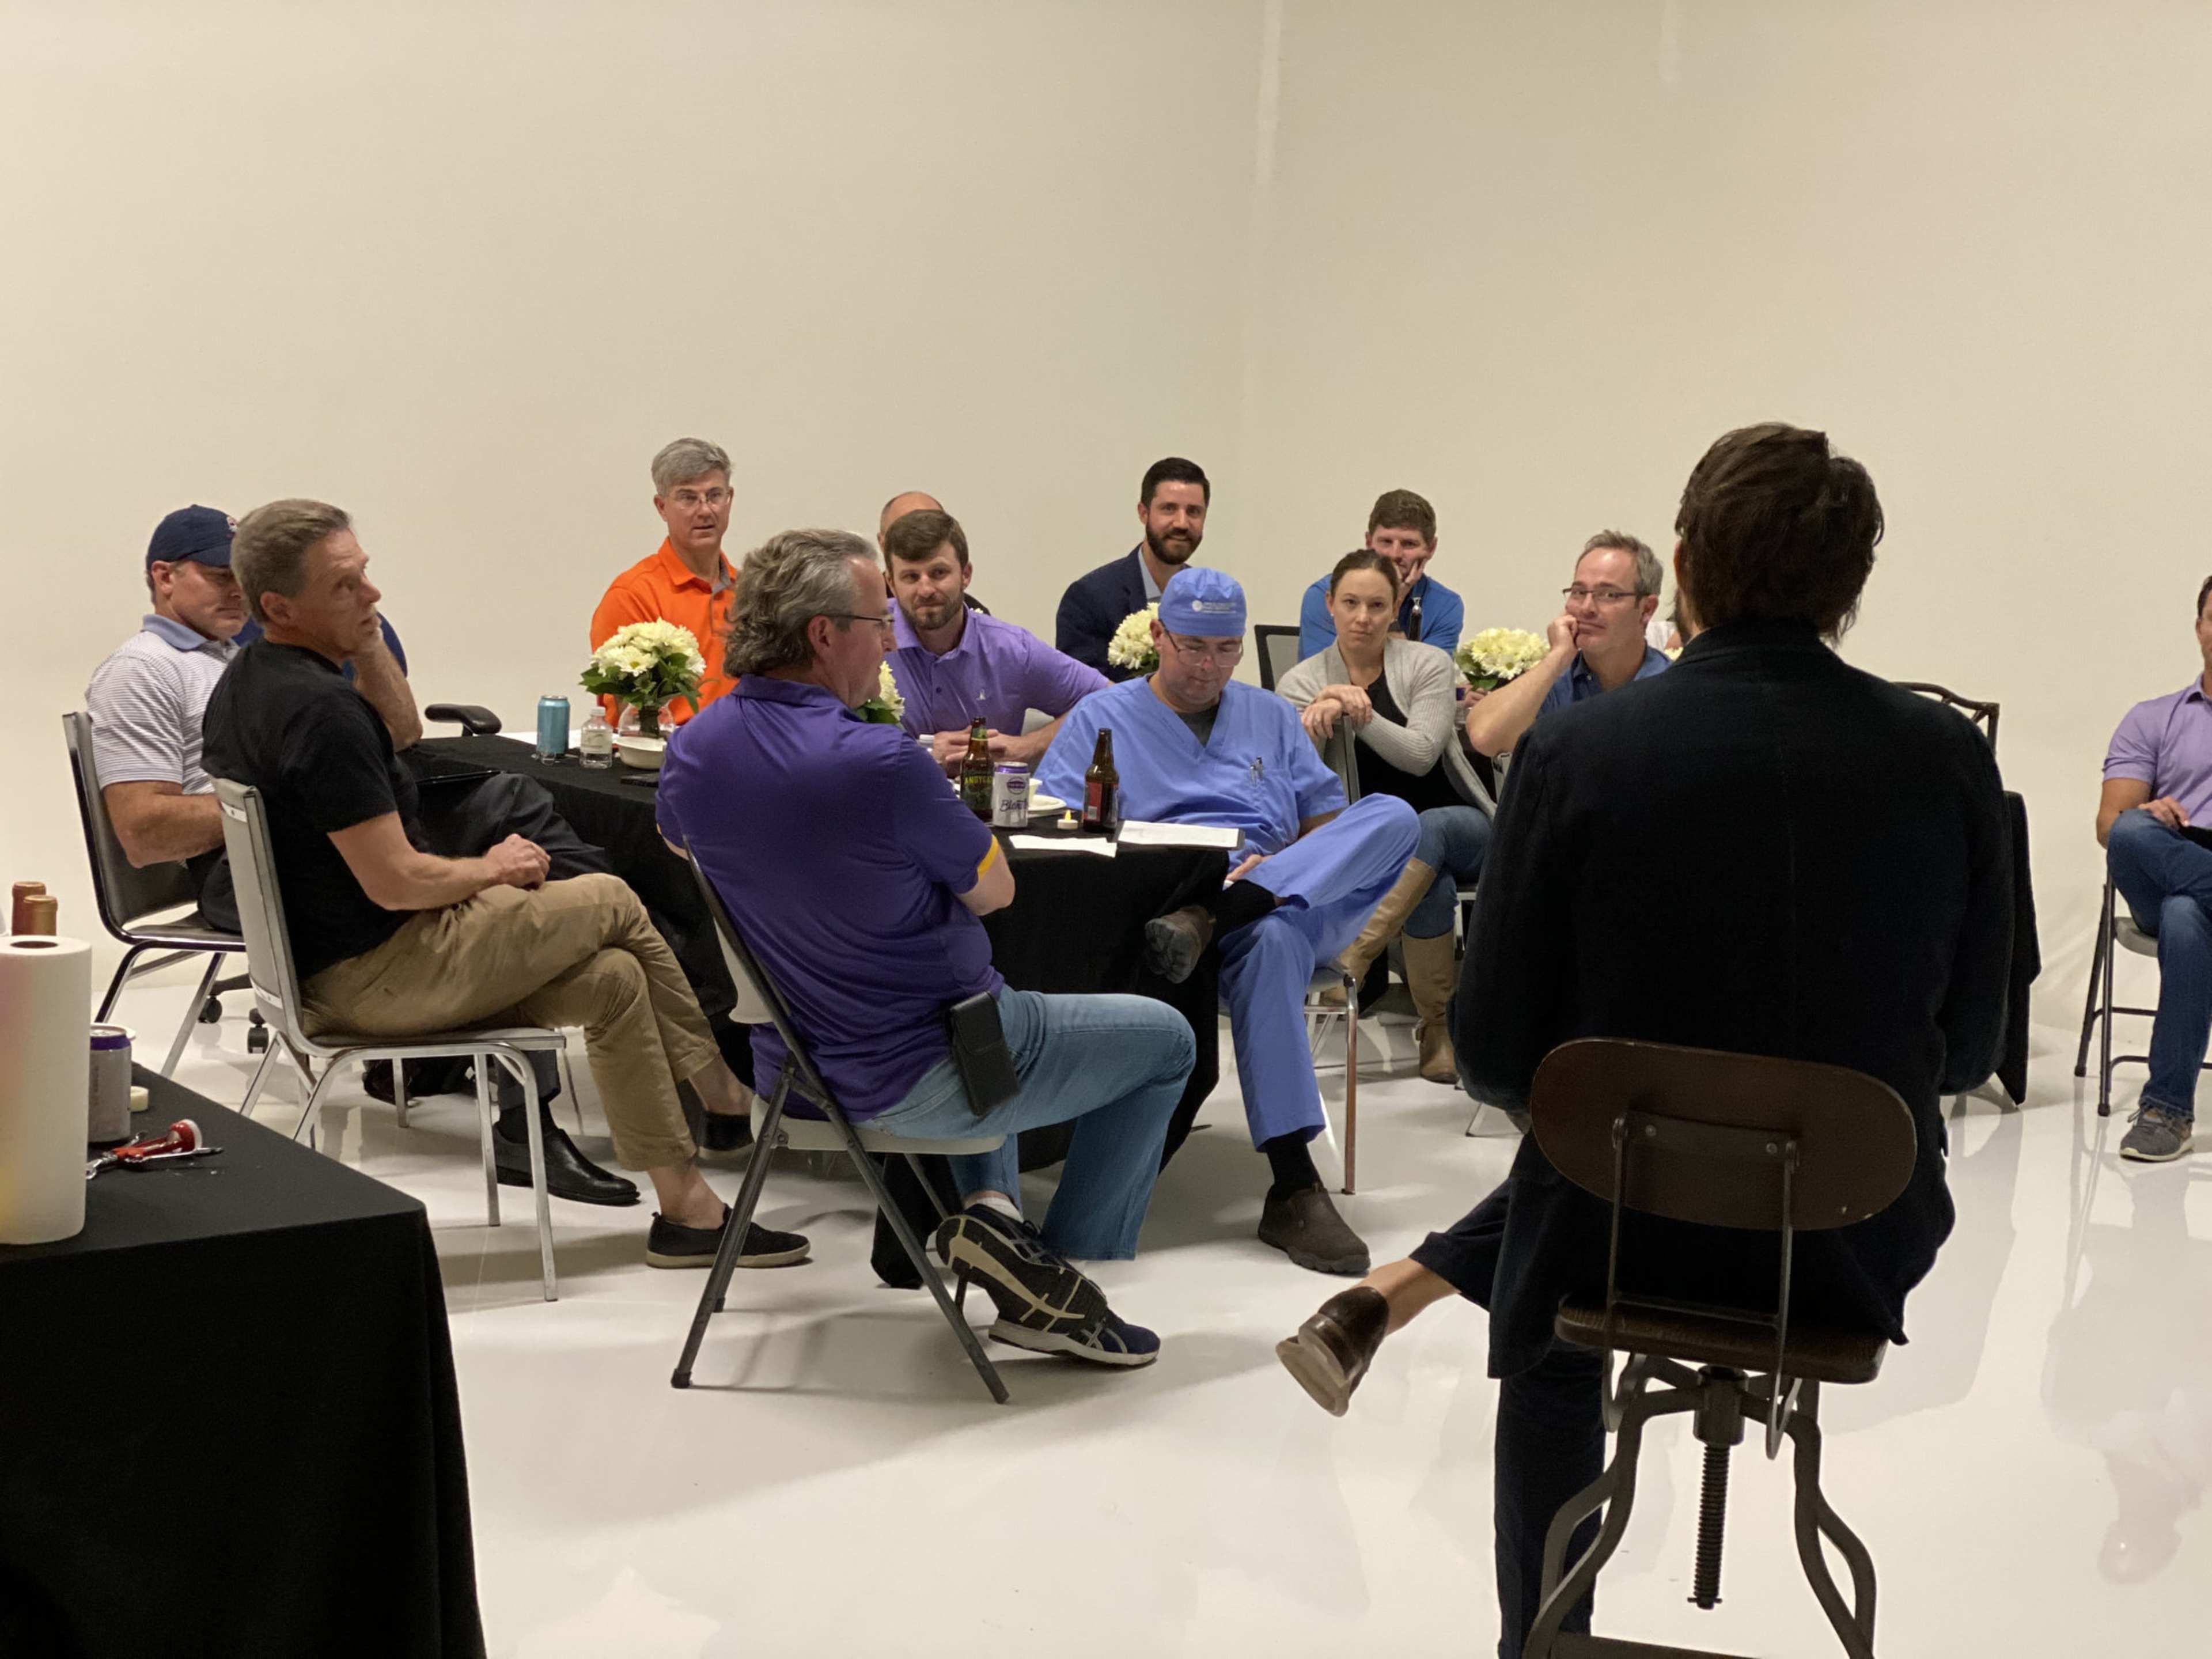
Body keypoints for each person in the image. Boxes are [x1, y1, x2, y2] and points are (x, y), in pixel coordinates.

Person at [1274, 423, 2013, 1657]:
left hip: (1612, 1233)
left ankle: (1541, 1639)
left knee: (1558, 1265)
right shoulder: (1946, 758)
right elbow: (1971, 1040)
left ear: (1687, 568)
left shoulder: (1578, 750)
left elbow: (1502, 1058)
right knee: (1589, 1172)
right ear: (1850, 589)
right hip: (1843, 1239)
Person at [202, 498, 802, 1265]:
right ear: (280, 607)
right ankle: (719, 1087)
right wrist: (496, 866)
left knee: (617, 977)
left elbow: (406, 733)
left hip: (329, 966)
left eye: (367, 577)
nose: (374, 597)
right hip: (375, 972)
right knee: (615, 896)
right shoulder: (319, 715)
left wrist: (360, 640)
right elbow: (396, 883)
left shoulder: (252, 680)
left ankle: (689, 1211)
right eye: (347, 587)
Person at [658, 528, 1195, 1366]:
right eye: (879, 620)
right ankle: (1052, 1278)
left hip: (792, 1073)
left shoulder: (694, 748)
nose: (890, 638)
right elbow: (995, 890)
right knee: (1169, 1039)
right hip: (929, 1066)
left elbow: (687, 849)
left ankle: (997, 1219)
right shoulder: (880, 761)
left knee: (982, 1002)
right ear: (823, 635)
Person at [1035, 569, 1418, 1277]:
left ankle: (1227, 909)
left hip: (1281, 895)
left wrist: (1267, 878)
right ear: (1157, 637)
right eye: (1192, 647)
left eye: (1226, 649)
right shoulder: (1101, 719)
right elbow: (1059, 833)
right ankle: (1295, 1182)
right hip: (1165, 917)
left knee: (1395, 818)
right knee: (1267, 942)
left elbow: (1327, 822)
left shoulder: (1270, 715)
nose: (1209, 667)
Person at [1278, 551, 1494, 1083]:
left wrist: (1360, 712)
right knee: (1431, 885)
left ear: (1396, 607)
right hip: (1381, 847)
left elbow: (1422, 754)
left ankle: (1353, 956)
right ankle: (1438, 1030)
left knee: (1426, 827)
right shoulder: (1302, 682)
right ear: (1329, 605)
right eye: (1350, 603)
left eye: (1377, 604)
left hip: (1463, 823)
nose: (1363, 617)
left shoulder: (1427, 664)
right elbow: (1293, 778)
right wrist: (1315, 722)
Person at [2095, 573, 2212, 1162]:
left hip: (2185, 901)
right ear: (2199, 629)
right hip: (2167, 855)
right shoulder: (2154, 717)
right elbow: (2110, 825)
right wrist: (2151, 811)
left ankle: (2167, 1111)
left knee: (2188, 918)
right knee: (2133, 829)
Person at [884, 508, 1107, 771]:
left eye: (939, 573)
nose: (925, 589)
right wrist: (920, 754)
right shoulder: (864, 637)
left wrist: (1028, 746)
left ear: (966, 575)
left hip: (986, 807)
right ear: (891, 582)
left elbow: (1111, 700)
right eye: (911, 577)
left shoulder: (1012, 649)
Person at [1461, 531, 1671, 762]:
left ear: (1647, 609)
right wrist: (1557, 657)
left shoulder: (1672, 682)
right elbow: (1485, 738)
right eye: (1579, 593)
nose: (1587, 608)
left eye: (1609, 594)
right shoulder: (1556, 681)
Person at [590, 437, 740, 726]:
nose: (705, 510)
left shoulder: (751, 592)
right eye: (688, 498)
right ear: (661, 507)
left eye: (715, 495)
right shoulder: (634, 594)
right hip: (666, 760)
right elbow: (630, 717)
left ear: (729, 498)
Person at [1056, 456, 1209, 680]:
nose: (1182, 523)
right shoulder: (1089, 599)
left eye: (1194, 512)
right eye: (1169, 509)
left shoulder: (1207, 597)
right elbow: (1080, 697)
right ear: (1143, 513)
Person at [1296, 489, 1464, 659]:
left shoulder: (1446, 606)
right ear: (1369, 543)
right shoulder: (1329, 595)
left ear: (1431, 548)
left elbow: (1429, 679)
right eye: (1386, 542)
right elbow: (1325, 676)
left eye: (1409, 544)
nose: (1395, 554)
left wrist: (1393, 600)